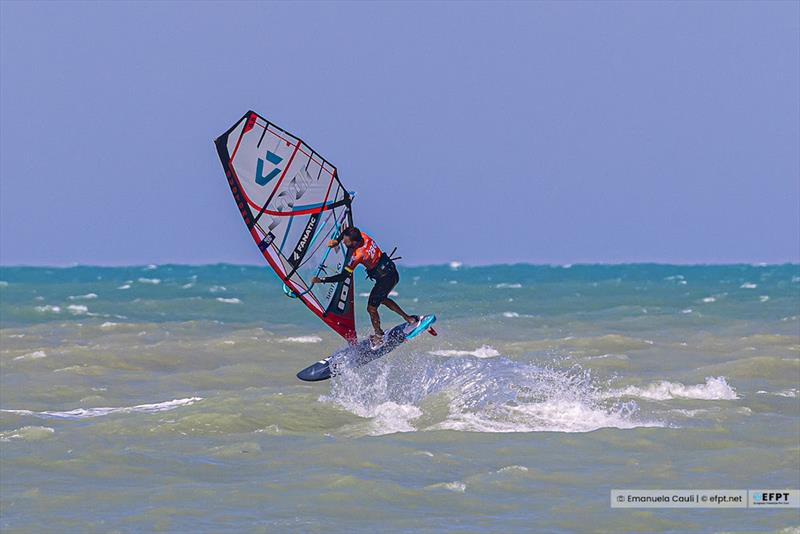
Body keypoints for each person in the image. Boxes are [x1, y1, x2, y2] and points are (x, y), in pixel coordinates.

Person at [311, 227, 417, 348]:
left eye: (346, 242)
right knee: (381, 299)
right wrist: (337, 240)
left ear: (354, 242)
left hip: (385, 279)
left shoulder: (358, 255)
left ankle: (379, 336)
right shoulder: (363, 235)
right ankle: (408, 318)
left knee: (371, 308)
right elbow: (349, 229)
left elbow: (343, 276)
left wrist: (321, 280)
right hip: (392, 272)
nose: (345, 244)